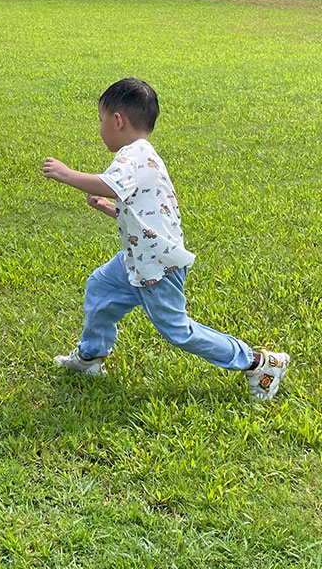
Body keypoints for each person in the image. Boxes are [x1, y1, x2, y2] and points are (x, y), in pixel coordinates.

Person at [43, 77, 289, 402]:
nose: (100, 128)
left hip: (157, 268)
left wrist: (65, 173)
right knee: (100, 287)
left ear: (117, 120)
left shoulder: (134, 157)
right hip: (139, 258)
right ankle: (90, 358)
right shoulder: (145, 156)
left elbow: (112, 186)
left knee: (178, 331)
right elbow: (144, 217)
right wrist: (107, 208)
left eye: (100, 120)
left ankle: (259, 362)